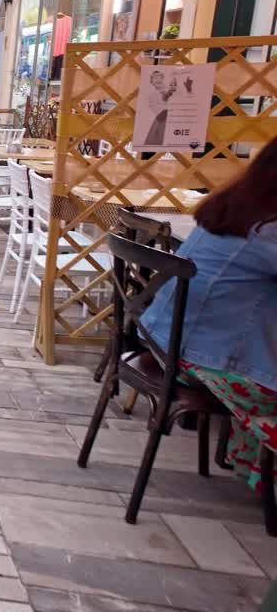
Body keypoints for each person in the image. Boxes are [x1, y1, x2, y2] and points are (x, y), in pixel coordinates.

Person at [141, 141, 277, 493]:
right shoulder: (267, 232)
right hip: (203, 359)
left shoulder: (231, 209)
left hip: (165, 341)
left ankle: (254, 469)